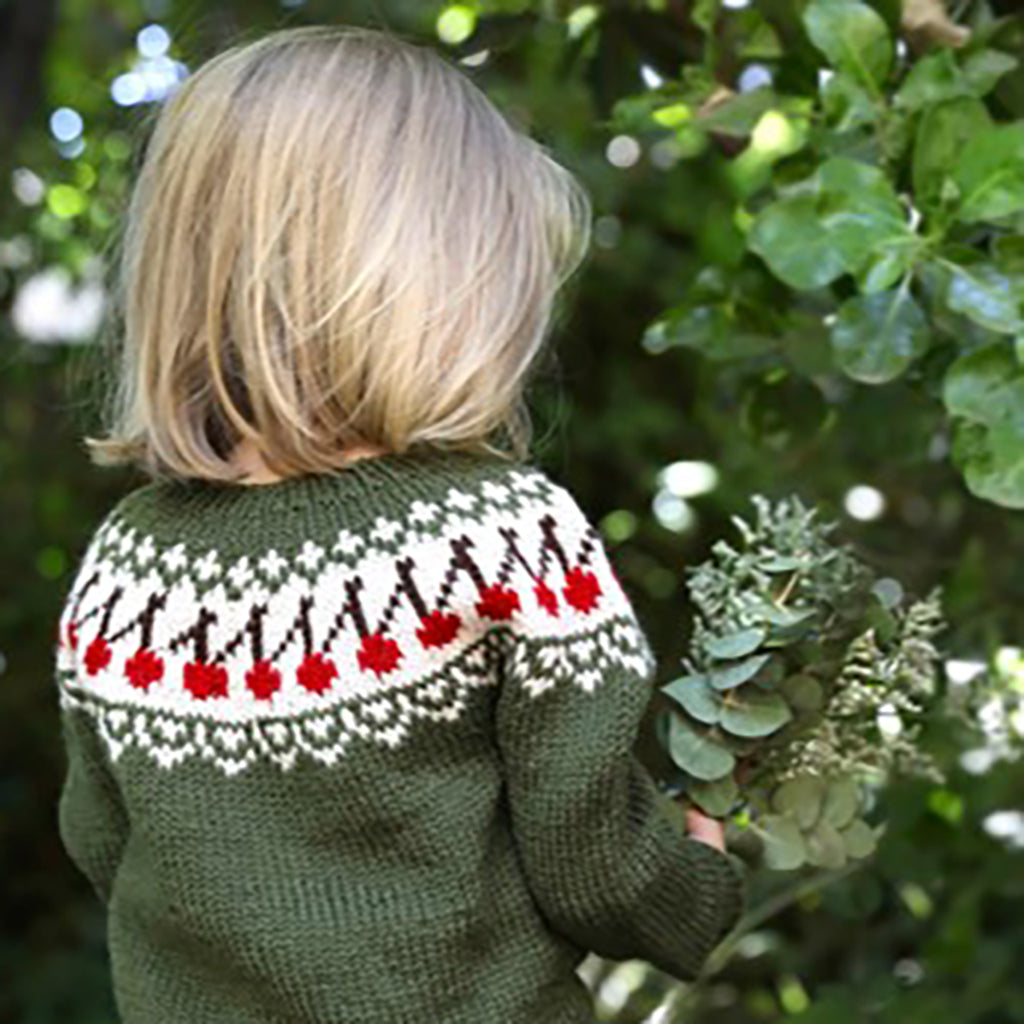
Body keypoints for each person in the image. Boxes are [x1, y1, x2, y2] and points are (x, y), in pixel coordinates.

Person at [53, 22, 745, 1024]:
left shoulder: (132, 564)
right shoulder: (501, 536)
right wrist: (698, 879)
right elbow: (593, 863)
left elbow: (103, 839)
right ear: (439, 290)